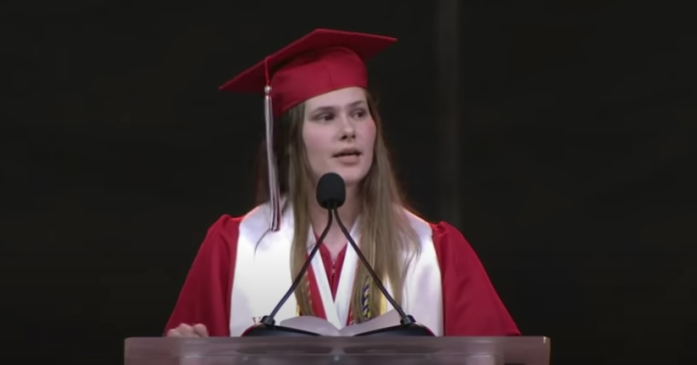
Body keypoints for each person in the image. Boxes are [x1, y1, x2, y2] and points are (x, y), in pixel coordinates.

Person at [164, 28, 520, 337]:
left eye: (358, 112)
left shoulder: (434, 251)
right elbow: (188, 349)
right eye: (325, 117)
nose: (348, 130)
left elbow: (498, 354)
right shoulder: (234, 247)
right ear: (290, 142)